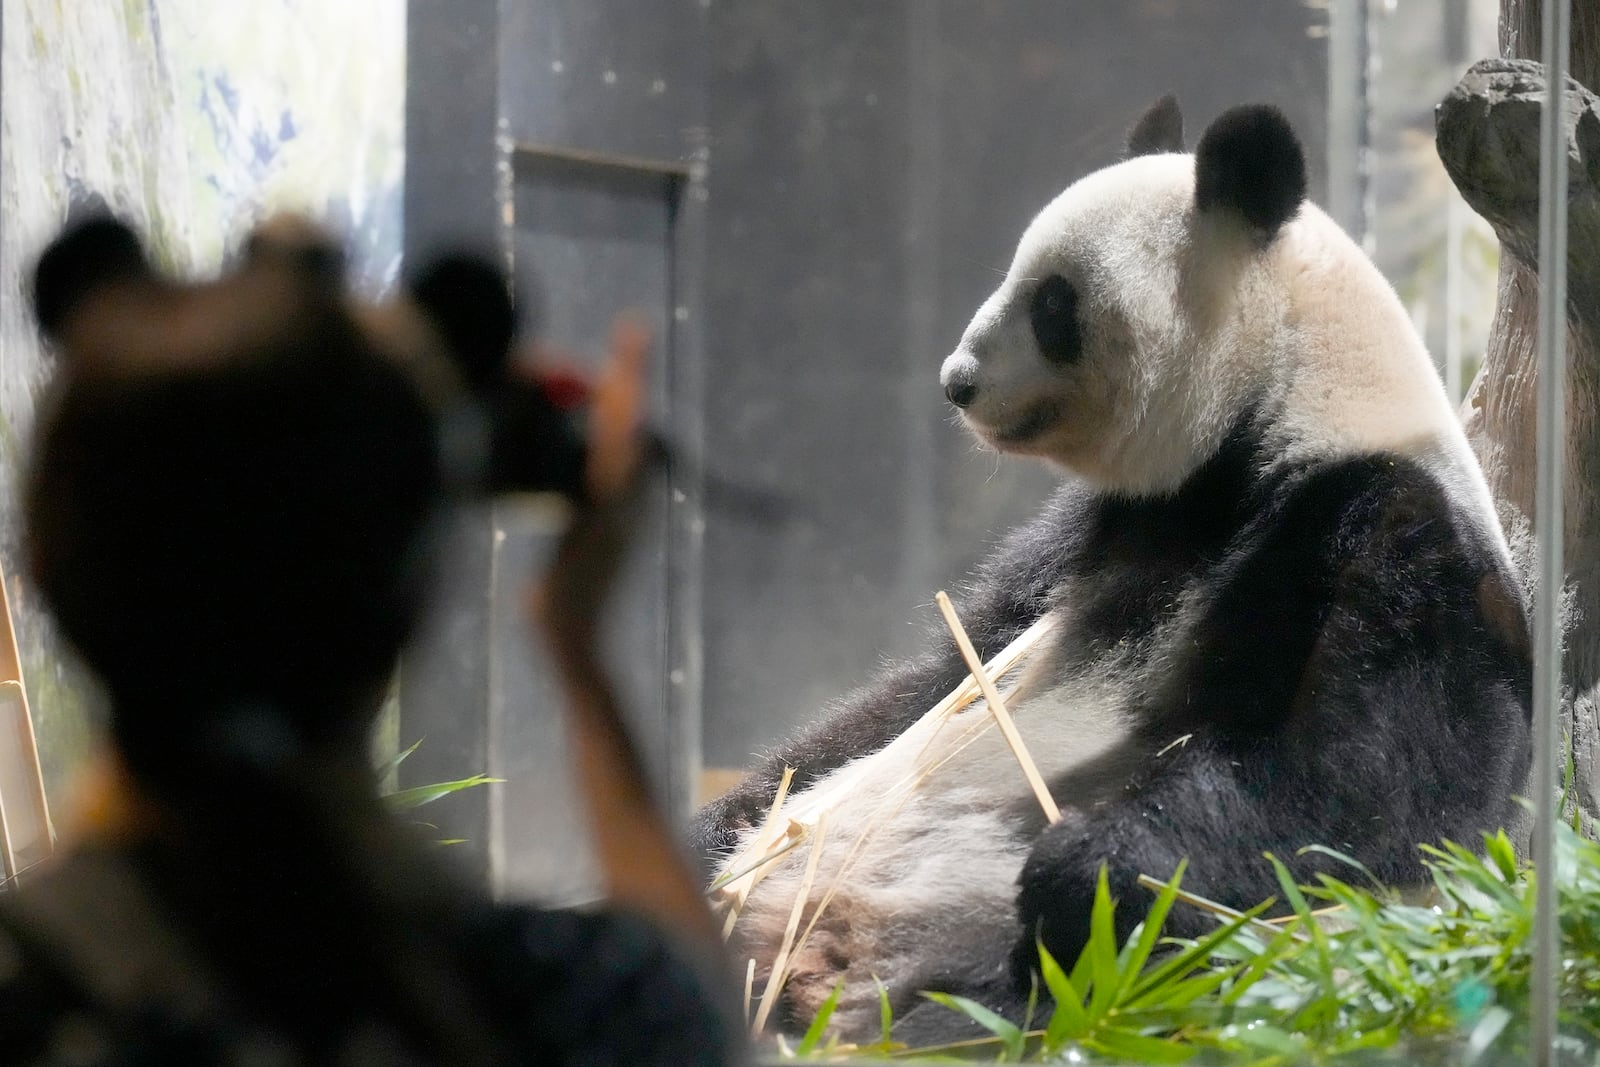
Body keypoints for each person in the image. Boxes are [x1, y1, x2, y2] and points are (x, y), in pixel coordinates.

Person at [0, 214, 740, 1065]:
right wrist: (575, 643)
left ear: (49, 573)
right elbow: (694, 1024)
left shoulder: (33, 996)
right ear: (415, 598)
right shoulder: (566, 1003)